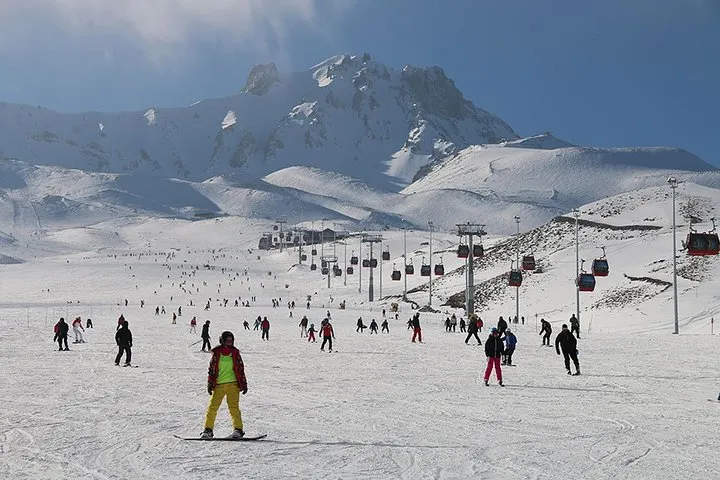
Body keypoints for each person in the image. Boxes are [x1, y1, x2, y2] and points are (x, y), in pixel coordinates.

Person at [201, 331, 248, 439]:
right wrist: (210, 384)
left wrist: (244, 384)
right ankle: (208, 430)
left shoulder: (235, 353)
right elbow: (211, 370)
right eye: (227, 340)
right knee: (213, 408)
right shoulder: (217, 353)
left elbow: (240, 369)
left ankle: (238, 430)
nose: (229, 342)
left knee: (234, 408)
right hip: (219, 385)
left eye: (231, 341)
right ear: (222, 340)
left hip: (233, 385)